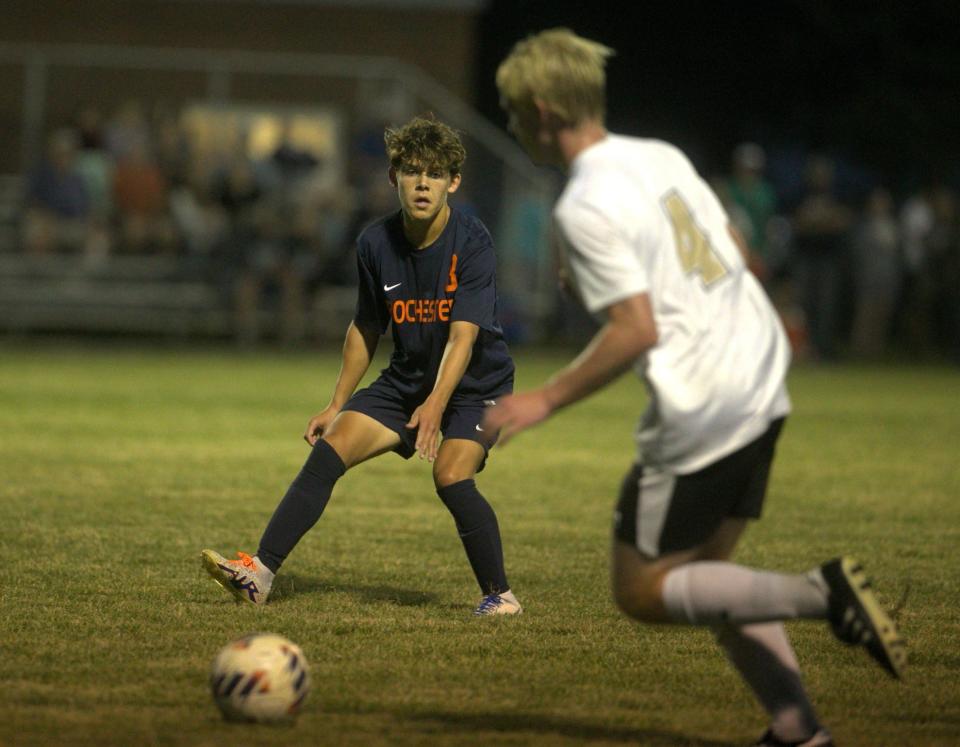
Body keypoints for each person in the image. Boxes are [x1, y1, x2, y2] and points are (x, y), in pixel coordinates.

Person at [486, 28, 904, 746]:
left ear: (546, 110)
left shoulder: (582, 204)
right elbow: (736, 252)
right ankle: (798, 728)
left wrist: (542, 398)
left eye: (514, 110)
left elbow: (635, 329)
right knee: (711, 576)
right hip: (762, 374)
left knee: (643, 587)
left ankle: (823, 593)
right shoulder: (660, 154)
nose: (512, 123)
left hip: (705, 401)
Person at [202, 115, 522, 616]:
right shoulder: (374, 243)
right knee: (331, 449)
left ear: (452, 183)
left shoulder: (472, 241)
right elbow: (365, 329)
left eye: (435, 174)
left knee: (450, 473)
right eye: (412, 171)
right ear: (393, 177)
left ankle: (500, 597)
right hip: (408, 379)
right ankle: (259, 575)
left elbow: (464, 336)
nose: (422, 183)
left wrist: (437, 405)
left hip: (477, 388)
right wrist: (337, 403)